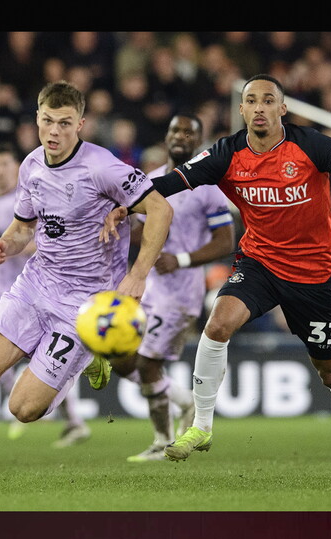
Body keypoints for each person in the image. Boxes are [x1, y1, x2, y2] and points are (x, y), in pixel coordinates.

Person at [101, 74, 331, 479]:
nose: (259, 107)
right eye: (251, 100)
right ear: (241, 109)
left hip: (313, 275)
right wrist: (126, 206)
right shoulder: (226, 153)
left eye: (268, 100)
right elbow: (169, 183)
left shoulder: (312, 146)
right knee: (217, 324)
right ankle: (201, 426)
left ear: (282, 109)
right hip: (260, 263)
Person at [0, 80, 174, 490]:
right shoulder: (31, 165)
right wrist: (4, 244)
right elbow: (24, 227)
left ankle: (92, 349)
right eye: (46, 121)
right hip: (37, 282)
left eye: (64, 123)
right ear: (36, 120)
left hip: (84, 303)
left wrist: (138, 273)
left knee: (23, 408)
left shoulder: (102, 166)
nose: (53, 131)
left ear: (81, 124)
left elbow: (160, 209)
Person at [109, 113, 236, 462]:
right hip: (147, 287)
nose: (181, 136)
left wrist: (179, 259)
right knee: (120, 359)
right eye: (175, 130)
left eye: (189, 132)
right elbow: (140, 230)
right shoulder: (149, 180)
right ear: (166, 137)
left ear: (199, 141)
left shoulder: (209, 187)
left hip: (181, 294)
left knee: (149, 365)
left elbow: (226, 240)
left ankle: (161, 441)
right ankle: (185, 403)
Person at [0, 143, 90, 447]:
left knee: (42, 361)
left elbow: (45, 238)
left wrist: (17, 247)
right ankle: (22, 407)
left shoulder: (29, 192)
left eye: (4, 164)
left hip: (37, 289)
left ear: (15, 166)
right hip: (1, 288)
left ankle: (69, 418)